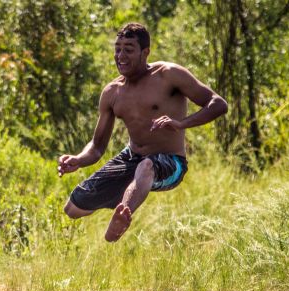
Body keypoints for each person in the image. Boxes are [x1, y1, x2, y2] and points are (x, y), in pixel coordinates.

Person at [58, 22, 228, 242]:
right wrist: (78, 159)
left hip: (170, 162)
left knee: (146, 166)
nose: (121, 55)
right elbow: (97, 146)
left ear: (145, 52)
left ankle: (123, 216)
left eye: (128, 49)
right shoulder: (112, 92)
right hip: (132, 158)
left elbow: (218, 104)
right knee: (72, 209)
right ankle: (130, 190)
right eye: (117, 49)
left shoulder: (169, 75)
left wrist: (180, 124)